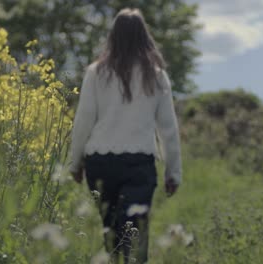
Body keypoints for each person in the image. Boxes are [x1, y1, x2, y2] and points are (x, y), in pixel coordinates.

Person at [69, 8, 182, 264]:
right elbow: (168, 129)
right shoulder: (157, 75)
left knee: (112, 232)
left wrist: (74, 163)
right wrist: (173, 172)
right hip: (139, 164)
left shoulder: (95, 73)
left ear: (113, 36)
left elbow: (83, 122)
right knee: (135, 233)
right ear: (145, 37)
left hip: (100, 164)